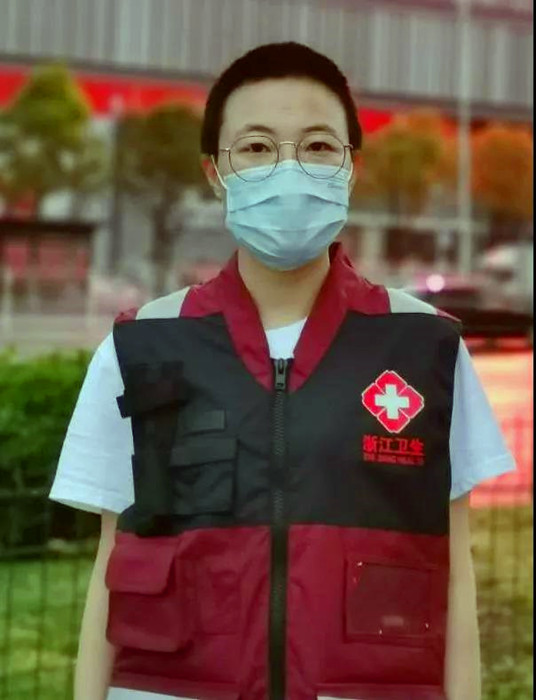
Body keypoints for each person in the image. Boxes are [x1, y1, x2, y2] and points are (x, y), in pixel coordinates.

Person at [49, 42, 515, 700]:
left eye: (319, 146)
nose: (289, 169)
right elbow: (109, 571)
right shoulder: (142, 345)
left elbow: (455, 573)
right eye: (257, 147)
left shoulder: (425, 346)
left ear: (351, 166)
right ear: (216, 172)